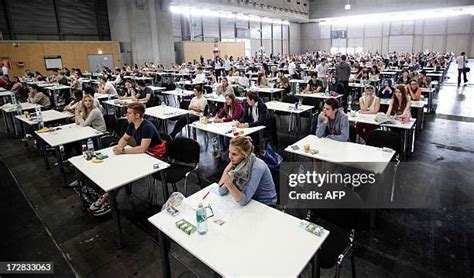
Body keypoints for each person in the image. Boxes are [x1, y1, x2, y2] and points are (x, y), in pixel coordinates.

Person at [89, 102, 162, 215]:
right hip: (142, 154)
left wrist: (122, 150)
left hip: (154, 156)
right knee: (119, 168)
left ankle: (108, 198)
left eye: (128, 113)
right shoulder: (132, 124)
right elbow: (124, 138)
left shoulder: (147, 126)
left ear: (137, 115)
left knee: (123, 172)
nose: (126, 115)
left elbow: (142, 148)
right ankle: (108, 197)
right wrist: (119, 146)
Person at [218, 136, 277, 206]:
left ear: (244, 155)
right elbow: (222, 191)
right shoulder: (237, 162)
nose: (229, 156)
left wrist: (230, 185)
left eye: (234, 154)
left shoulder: (258, 167)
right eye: (229, 152)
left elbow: (243, 201)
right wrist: (225, 171)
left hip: (266, 205)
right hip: (250, 200)